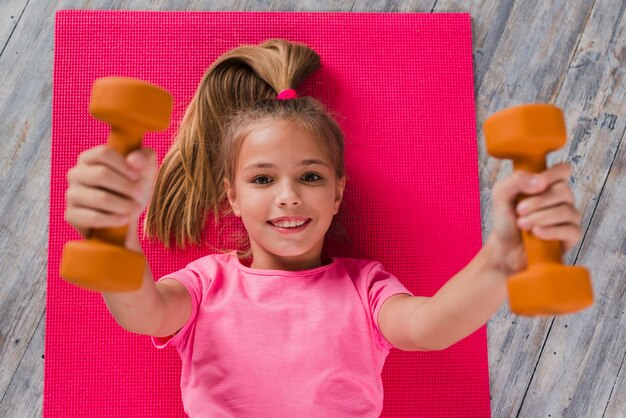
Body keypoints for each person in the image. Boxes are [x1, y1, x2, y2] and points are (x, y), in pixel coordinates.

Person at [64, 39, 583, 417]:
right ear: (233, 196)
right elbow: (142, 312)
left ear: (337, 193)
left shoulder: (364, 288)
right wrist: (117, 229)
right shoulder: (206, 283)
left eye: (309, 177)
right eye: (263, 178)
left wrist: (501, 257)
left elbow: (430, 327)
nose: (288, 195)